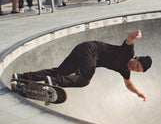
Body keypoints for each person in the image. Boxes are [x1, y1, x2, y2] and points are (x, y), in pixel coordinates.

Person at [12, 30, 152, 101]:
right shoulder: (128, 52)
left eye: (137, 70)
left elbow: (128, 84)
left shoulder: (125, 71)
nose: (134, 68)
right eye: (136, 65)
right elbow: (130, 38)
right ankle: (54, 82)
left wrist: (138, 93)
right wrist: (135, 34)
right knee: (84, 79)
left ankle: (22, 77)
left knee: (61, 71)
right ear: (136, 58)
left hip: (84, 49)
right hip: (91, 51)